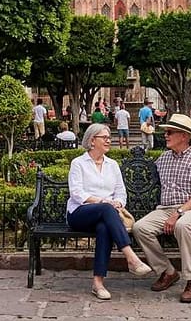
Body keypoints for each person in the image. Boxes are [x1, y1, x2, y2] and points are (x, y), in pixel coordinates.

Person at [67, 124, 152, 300]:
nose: (108, 140)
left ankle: (98, 283)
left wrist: (118, 203)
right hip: (80, 213)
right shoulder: (78, 163)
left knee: (104, 228)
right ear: (92, 141)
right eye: (103, 137)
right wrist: (104, 202)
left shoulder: (112, 165)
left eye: (108, 137)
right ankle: (131, 257)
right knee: (106, 209)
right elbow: (77, 193)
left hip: (107, 214)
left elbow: (121, 193)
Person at [133, 114, 191, 304]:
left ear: (184, 136)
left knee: (182, 226)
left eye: (170, 132)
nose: (165, 135)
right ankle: (167, 271)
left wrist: (179, 213)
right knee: (140, 228)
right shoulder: (164, 158)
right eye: (166, 132)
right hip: (165, 209)